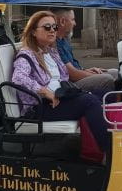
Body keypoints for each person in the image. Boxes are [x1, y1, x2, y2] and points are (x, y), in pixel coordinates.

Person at [11, 11, 110, 154]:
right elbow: (18, 78)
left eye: (54, 27)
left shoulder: (51, 52)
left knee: (105, 95)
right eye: (47, 27)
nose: (52, 30)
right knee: (90, 102)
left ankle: (110, 141)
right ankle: (109, 152)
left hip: (60, 98)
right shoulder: (26, 54)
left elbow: (63, 77)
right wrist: (45, 91)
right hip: (40, 107)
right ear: (33, 31)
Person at [52, 8, 117, 97]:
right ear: (62, 21)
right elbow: (72, 75)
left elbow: (74, 67)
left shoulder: (64, 40)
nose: (75, 23)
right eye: (73, 19)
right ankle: (112, 103)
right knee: (107, 78)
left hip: (77, 76)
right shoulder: (55, 44)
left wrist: (86, 70)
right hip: (70, 84)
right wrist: (92, 75)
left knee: (115, 72)